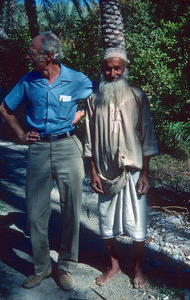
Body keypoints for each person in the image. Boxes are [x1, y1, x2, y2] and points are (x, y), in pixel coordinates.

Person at [0, 31, 92, 291]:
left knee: (71, 209)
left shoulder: (77, 80)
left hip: (68, 146)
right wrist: (19, 134)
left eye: (32, 51)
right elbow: (5, 109)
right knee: (35, 213)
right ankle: (42, 267)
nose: (29, 55)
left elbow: (95, 102)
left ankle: (65, 266)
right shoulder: (28, 81)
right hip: (38, 149)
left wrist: (77, 116)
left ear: (48, 55)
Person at [84, 48, 158, 289]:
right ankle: (114, 265)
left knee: (137, 223)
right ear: (102, 69)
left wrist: (145, 173)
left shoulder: (137, 96)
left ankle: (137, 268)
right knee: (106, 222)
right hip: (106, 173)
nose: (112, 72)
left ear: (125, 68)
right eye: (108, 68)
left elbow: (147, 136)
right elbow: (89, 140)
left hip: (134, 171)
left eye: (118, 68)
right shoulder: (93, 99)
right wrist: (93, 172)